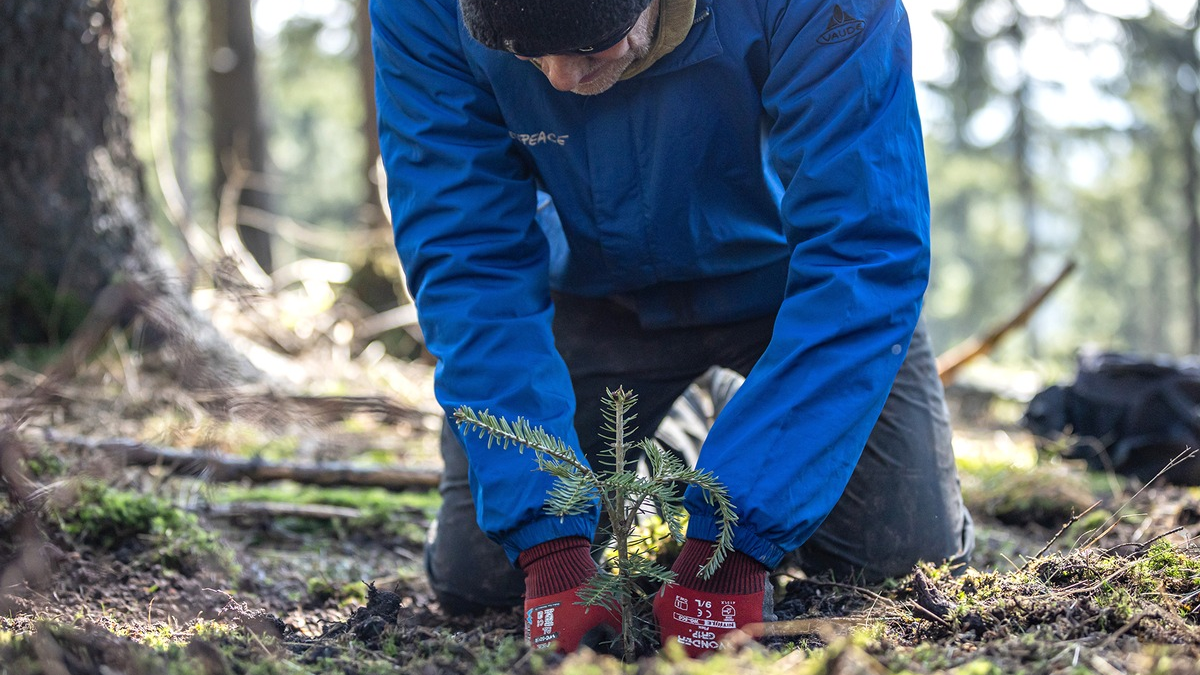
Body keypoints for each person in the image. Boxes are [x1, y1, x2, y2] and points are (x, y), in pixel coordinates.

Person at [370, 0, 974, 656]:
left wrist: (735, 543)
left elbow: (862, 250)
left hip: (794, 295)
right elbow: (465, 254)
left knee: (901, 559)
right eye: (522, 56)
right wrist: (547, 541)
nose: (559, 80)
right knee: (479, 576)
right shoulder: (421, 7)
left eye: (589, 46)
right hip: (591, 298)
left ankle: (742, 427)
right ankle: (678, 432)